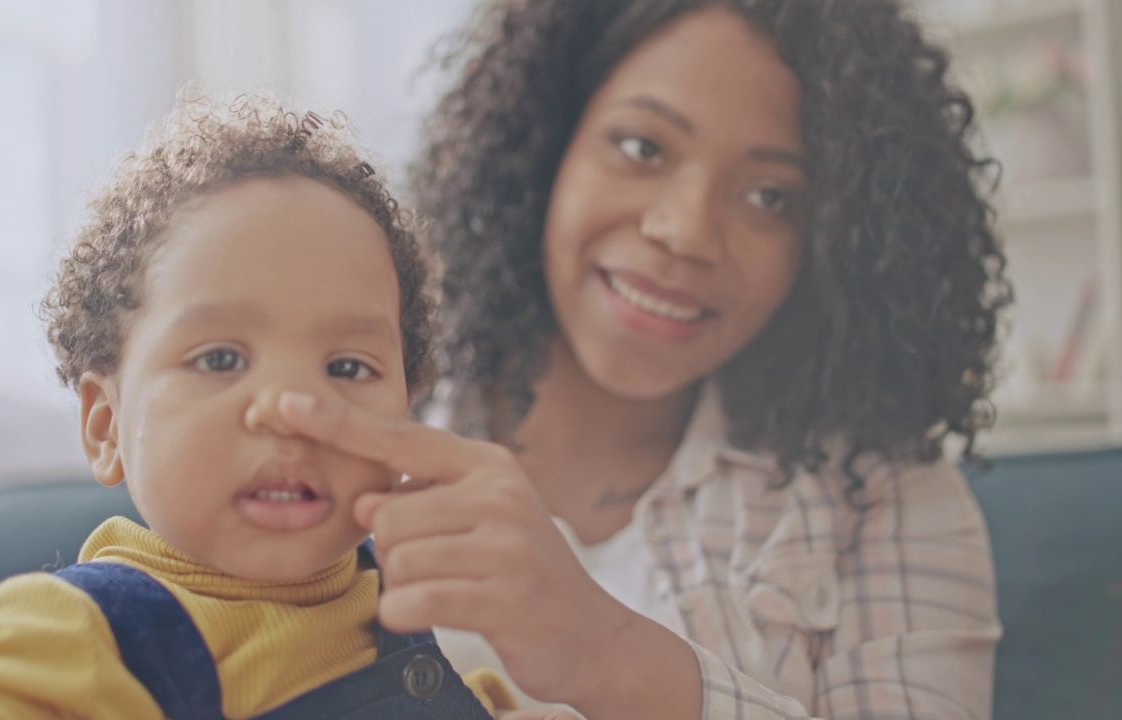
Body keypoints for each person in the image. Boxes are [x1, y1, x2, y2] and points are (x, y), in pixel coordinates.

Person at [269, 1, 1011, 718]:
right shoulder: (349, 416)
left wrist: (602, 653)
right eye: (643, 147)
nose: (685, 230)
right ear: (549, 142)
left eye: (769, 195)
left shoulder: (885, 501)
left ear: (833, 240)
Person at [0, 93, 529, 720]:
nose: (290, 409)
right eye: (221, 360)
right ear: (106, 425)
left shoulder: (414, 601)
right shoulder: (81, 633)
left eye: (348, 367)